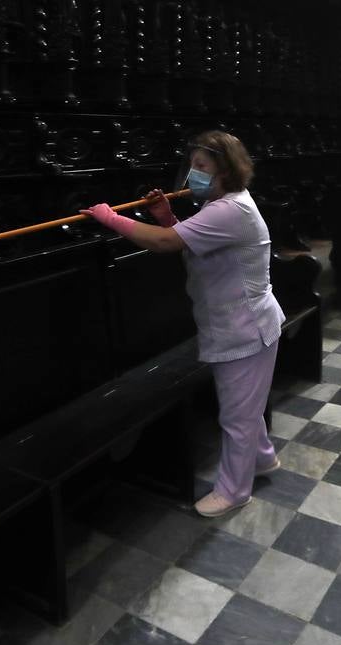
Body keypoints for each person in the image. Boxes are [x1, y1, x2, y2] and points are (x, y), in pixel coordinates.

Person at [80, 131, 285, 518]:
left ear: (225, 170)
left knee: (237, 415)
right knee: (245, 406)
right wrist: (166, 218)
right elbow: (192, 246)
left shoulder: (230, 210)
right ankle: (263, 458)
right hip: (240, 324)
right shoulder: (223, 206)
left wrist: (112, 219)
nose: (193, 174)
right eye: (191, 165)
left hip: (246, 328)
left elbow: (165, 244)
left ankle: (234, 490)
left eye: (202, 166)